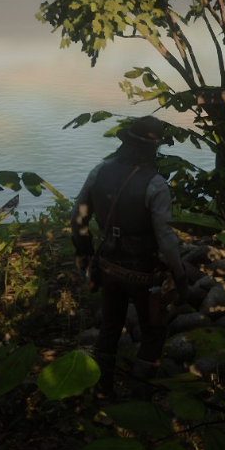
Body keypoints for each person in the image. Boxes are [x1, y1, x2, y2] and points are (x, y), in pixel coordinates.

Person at [72, 114, 190, 400]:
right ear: (154, 149)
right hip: (144, 274)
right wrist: (180, 273)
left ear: (124, 143)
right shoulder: (156, 184)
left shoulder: (100, 170)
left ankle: (102, 390)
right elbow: (166, 239)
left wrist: (85, 253)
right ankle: (139, 396)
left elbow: (78, 215)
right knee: (154, 329)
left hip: (108, 266)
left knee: (110, 327)